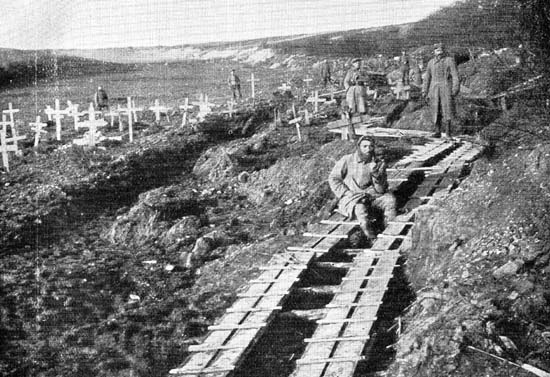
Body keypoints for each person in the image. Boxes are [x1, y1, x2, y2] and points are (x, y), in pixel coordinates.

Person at [328, 135, 397, 241]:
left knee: (390, 200)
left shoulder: (379, 163)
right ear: (359, 147)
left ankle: (390, 233)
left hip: (372, 196)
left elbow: (381, 190)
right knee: (361, 212)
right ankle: (371, 238)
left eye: (371, 147)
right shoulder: (347, 160)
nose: (368, 150)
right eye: (364, 146)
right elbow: (333, 178)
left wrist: (375, 174)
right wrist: (345, 192)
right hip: (352, 197)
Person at [422, 43, 460, 139]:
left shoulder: (449, 60)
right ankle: (437, 131)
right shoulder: (430, 63)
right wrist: (424, 91)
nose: (439, 51)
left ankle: (448, 133)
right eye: (437, 50)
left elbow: (455, 76)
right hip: (434, 89)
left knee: (447, 109)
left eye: (441, 49)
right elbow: (427, 78)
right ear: (434, 52)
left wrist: (455, 88)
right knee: (435, 109)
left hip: (445, 87)